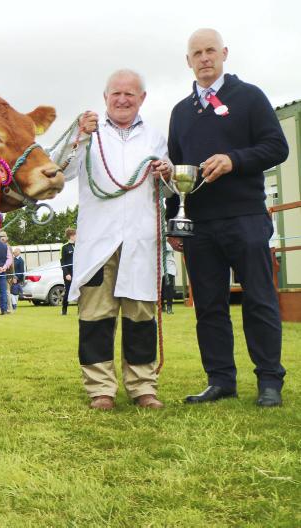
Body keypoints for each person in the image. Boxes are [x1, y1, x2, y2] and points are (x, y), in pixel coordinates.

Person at [167, 29, 288, 407]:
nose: (204, 58)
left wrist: (234, 159)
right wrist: (174, 221)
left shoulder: (250, 96)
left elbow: (277, 147)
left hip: (246, 216)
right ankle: (220, 380)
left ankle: (269, 380)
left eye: (210, 51)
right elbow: (176, 171)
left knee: (260, 299)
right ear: (188, 61)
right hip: (199, 224)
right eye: (197, 53)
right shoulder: (180, 112)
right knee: (208, 306)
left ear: (224, 53)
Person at [51, 69, 172, 410]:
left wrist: (165, 174)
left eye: (129, 94)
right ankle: (100, 389)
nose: (122, 99)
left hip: (140, 241)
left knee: (141, 317)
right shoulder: (89, 132)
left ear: (141, 98)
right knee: (95, 317)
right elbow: (58, 170)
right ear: (105, 97)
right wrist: (77, 136)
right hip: (98, 243)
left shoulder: (155, 138)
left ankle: (143, 387)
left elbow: (169, 190)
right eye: (116, 93)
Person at [60, 228, 76, 315]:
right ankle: (64, 309)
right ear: (71, 236)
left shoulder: (79, 246)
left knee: (80, 291)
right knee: (68, 291)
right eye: (75, 235)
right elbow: (62, 262)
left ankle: (81, 310)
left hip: (77, 272)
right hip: (69, 273)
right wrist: (66, 274)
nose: (77, 236)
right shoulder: (64, 247)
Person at [162, 243, 176, 314]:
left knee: (169, 288)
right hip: (161, 268)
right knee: (161, 289)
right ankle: (162, 306)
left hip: (169, 268)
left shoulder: (168, 244)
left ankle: (169, 307)